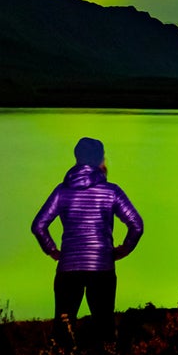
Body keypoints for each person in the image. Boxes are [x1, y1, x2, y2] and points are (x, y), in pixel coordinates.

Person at [30, 136, 143, 342]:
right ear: (100, 160)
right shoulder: (111, 192)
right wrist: (123, 249)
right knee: (104, 325)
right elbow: (136, 224)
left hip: (68, 267)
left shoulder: (62, 191)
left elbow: (39, 225)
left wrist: (52, 250)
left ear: (78, 159)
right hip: (102, 267)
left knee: (64, 325)